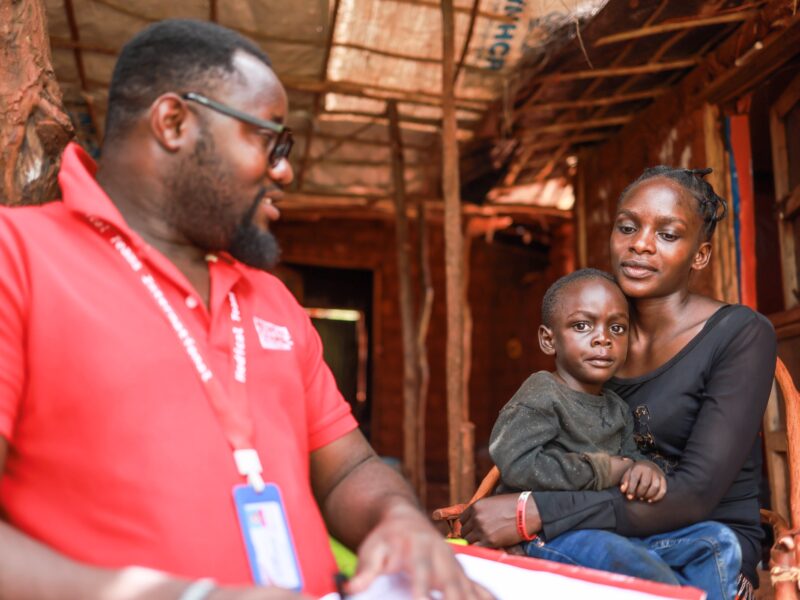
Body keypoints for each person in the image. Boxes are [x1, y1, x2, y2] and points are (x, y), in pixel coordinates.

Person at [0, 19, 490, 600]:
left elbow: (349, 470)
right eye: (269, 141)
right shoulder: (17, 259)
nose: (285, 170)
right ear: (174, 122)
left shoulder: (271, 299)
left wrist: (399, 519)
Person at [460, 166, 777, 600]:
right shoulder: (598, 338)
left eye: (667, 234)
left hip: (698, 543)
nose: (640, 243)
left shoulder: (740, 334)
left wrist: (538, 512)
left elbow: (694, 495)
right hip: (595, 532)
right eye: (627, 227)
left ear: (700, 255)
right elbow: (546, 434)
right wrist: (530, 515)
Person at [488, 268, 742, 599]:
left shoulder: (616, 407)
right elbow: (517, 464)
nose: (602, 339)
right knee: (640, 567)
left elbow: (630, 459)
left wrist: (645, 469)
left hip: (613, 530)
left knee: (716, 542)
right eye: (582, 326)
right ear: (549, 340)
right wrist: (605, 469)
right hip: (549, 534)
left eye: (616, 328)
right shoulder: (542, 392)